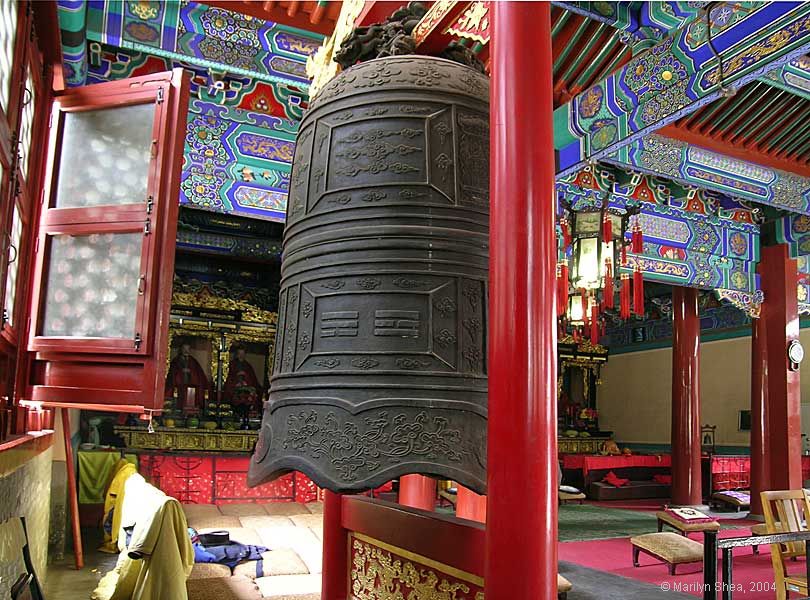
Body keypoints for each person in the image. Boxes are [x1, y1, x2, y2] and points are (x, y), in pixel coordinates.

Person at [165, 340, 209, 413]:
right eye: (184, 349)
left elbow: (198, 374)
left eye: (187, 349)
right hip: (179, 385)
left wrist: (190, 372)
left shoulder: (193, 361)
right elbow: (172, 373)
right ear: (181, 349)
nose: (186, 351)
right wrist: (181, 371)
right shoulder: (176, 360)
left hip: (191, 385)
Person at [223, 345, 262, 428]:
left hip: (247, 392)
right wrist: (236, 382)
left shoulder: (248, 366)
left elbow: (253, 380)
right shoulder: (232, 365)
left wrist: (246, 381)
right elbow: (228, 378)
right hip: (235, 390)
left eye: (243, 354)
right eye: (239, 353)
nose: (241, 356)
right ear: (236, 354)